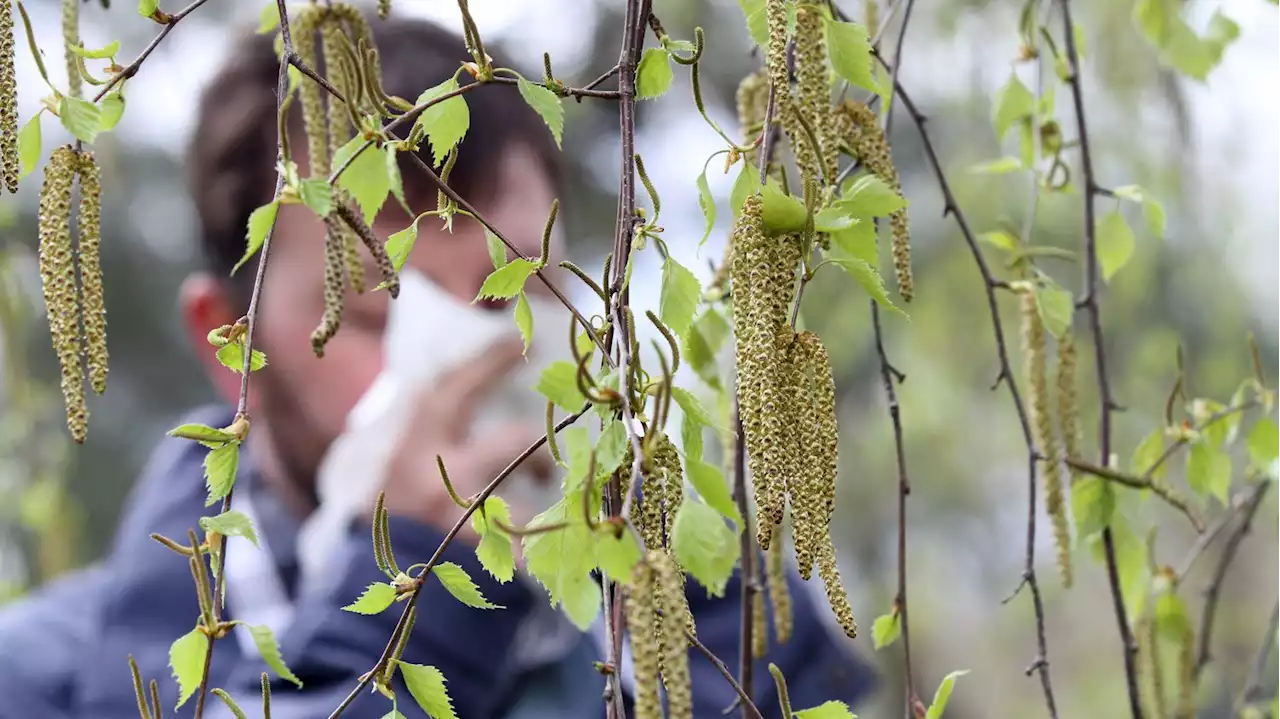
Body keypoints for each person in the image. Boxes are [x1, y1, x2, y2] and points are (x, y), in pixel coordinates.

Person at [0, 16, 876, 719]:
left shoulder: (726, 632)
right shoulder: (40, 681)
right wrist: (414, 604)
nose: (476, 361)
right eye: (380, 318)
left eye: (517, 295)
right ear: (230, 343)